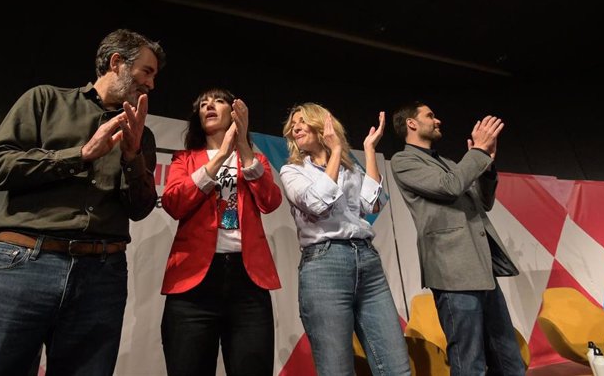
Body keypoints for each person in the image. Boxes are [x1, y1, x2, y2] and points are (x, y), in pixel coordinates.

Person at [0, 29, 165, 376]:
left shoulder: (141, 133)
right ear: (117, 62)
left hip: (102, 275)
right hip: (23, 263)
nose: (150, 84)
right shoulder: (45, 100)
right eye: (146, 71)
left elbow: (140, 208)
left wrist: (133, 157)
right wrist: (82, 154)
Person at [390, 101, 525, 376]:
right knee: (468, 360)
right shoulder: (404, 161)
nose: (437, 120)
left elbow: (483, 202)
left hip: (481, 268)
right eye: (430, 115)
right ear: (411, 124)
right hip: (451, 271)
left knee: (508, 356)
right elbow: (449, 187)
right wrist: (476, 153)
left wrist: (486, 164)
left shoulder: (451, 163)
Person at [279, 103, 411, 376]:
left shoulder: (349, 169)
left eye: (303, 121)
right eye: (293, 125)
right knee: (337, 370)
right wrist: (337, 151)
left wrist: (370, 150)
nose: (296, 127)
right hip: (324, 264)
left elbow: (371, 204)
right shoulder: (292, 171)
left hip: (367, 261)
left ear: (321, 124)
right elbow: (317, 203)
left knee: (396, 368)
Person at [160, 88, 282, 376]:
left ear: (234, 112)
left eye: (218, 100)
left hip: (247, 282)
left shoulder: (255, 159)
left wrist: (242, 149)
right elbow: (174, 203)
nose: (208, 106)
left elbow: (270, 202)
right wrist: (219, 158)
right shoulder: (184, 159)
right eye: (202, 104)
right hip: (194, 285)